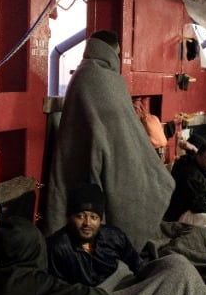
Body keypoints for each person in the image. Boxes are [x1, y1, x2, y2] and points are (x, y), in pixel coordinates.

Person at [47, 30, 175, 248]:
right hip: (107, 155)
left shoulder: (82, 77)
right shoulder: (106, 79)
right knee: (156, 182)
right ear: (111, 53)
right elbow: (122, 128)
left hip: (81, 156)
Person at [47, 182, 144, 287]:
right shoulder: (57, 246)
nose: (87, 223)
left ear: (100, 220)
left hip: (120, 289)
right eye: (80, 216)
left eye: (93, 217)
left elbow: (139, 267)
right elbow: (57, 290)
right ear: (70, 218)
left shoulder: (114, 236)